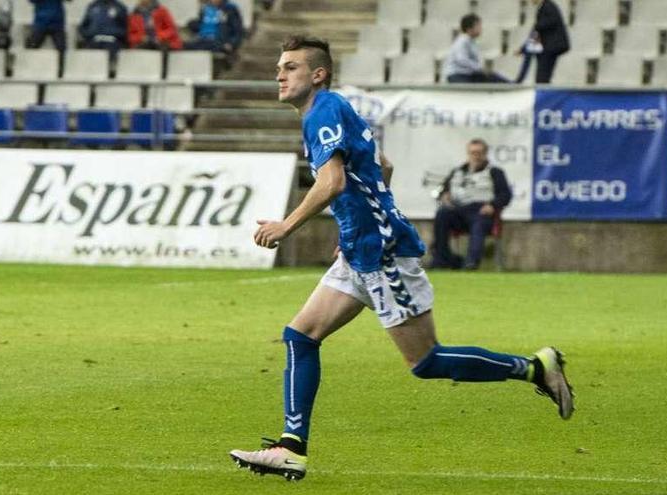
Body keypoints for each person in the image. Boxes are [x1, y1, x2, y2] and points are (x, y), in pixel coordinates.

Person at [228, 35, 574, 482]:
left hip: (383, 253)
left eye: (290, 66)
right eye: (279, 66)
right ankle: (291, 447)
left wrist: (286, 225)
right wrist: (355, 225)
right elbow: (382, 164)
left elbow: (332, 182)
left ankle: (534, 368)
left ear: (318, 74)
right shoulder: (329, 110)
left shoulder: (325, 112)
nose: (279, 74)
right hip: (361, 248)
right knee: (300, 336)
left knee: (426, 362)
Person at [429, 139, 512, 270]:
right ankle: (441, 259)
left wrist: (493, 205)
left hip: (481, 211)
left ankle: (471, 263)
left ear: (485, 154)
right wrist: (445, 196)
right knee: (442, 214)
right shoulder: (457, 171)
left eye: (479, 153)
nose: (476, 156)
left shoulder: (495, 172)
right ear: (468, 154)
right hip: (458, 210)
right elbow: (444, 190)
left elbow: (505, 195)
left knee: (479, 223)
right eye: (472, 153)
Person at [443, 13, 509, 83]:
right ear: (469, 29)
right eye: (478, 26)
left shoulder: (472, 42)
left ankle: (511, 84)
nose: (481, 28)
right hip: (457, 75)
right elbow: (462, 60)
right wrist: (480, 68)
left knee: (492, 76)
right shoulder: (463, 41)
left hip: (468, 74)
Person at [515, 0, 569, 84]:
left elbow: (552, 20)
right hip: (548, 48)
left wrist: (537, 25)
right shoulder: (543, 7)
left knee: (542, 78)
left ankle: (544, 93)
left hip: (551, 47)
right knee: (542, 78)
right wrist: (523, 48)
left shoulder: (548, 6)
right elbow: (536, 32)